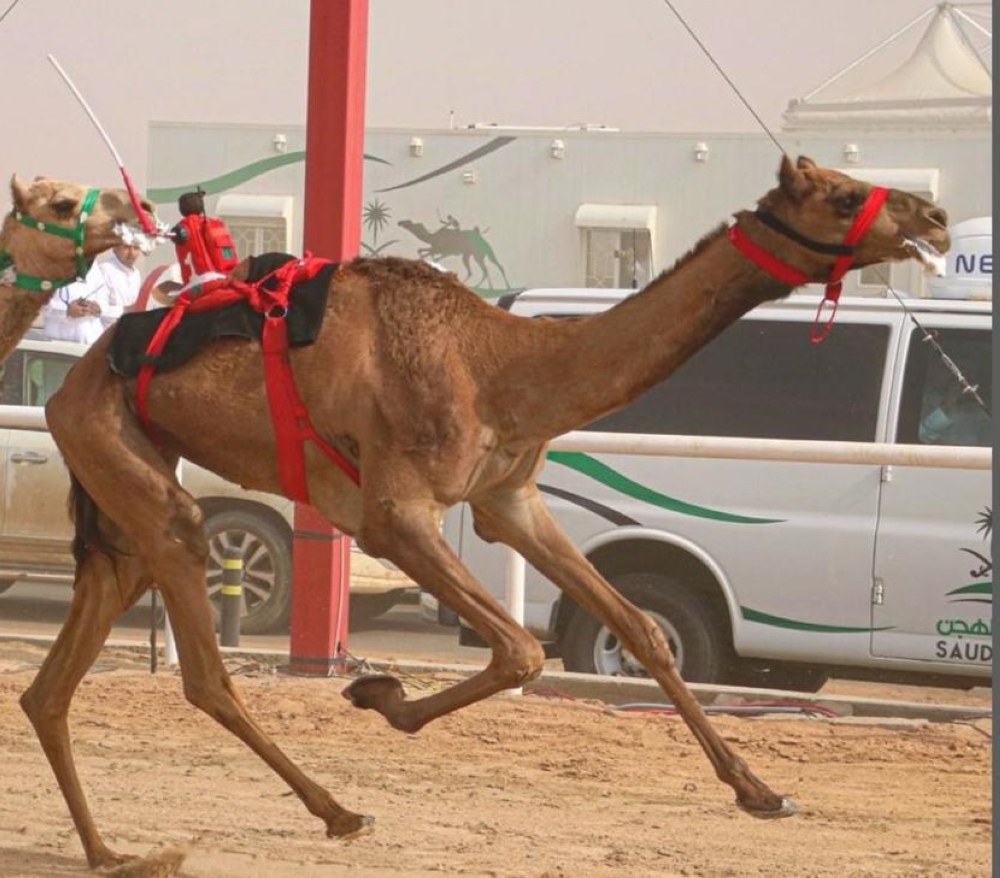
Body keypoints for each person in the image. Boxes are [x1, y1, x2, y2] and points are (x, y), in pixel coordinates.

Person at [42, 243, 143, 344]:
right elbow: (41, 304)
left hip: (89, 338)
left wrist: (98, 308)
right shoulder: (51, 265)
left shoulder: (92, 265)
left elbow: (103, 297)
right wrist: (67, 311)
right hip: (57, 339)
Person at [918, 357, 992, 448]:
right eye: (958, 377)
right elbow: (922, 436)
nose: (964, 383)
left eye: (968, 378)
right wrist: (948, 402)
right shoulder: (929, 399)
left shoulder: (980, 415)